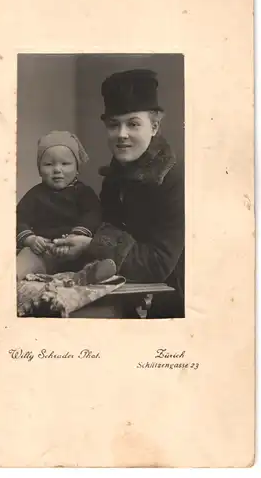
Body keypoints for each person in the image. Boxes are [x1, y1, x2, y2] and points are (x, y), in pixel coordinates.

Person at [53, 69, 185, 318]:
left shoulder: (174, 181)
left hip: (174, 304)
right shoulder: (115, 179)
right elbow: (107, 230)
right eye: (114, 125)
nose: (121, 134)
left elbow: (158, 264)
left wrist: (91, 245)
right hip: (129, 295)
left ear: (154, 126)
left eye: (133, 124)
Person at [16, 131, 102, 281]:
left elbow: (93, 215)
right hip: (43, 250)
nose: (57, 169)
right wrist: (30, 239)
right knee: (22, 262)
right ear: (39, 169)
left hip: (74, 248)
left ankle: (87, 274)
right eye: (49, 164)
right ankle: (16, 276)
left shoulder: (83, 193)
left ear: (77, 168)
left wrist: (77, 235)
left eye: (65, 164)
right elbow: (18, 218)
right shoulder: (35, 195)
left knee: (94, 257)